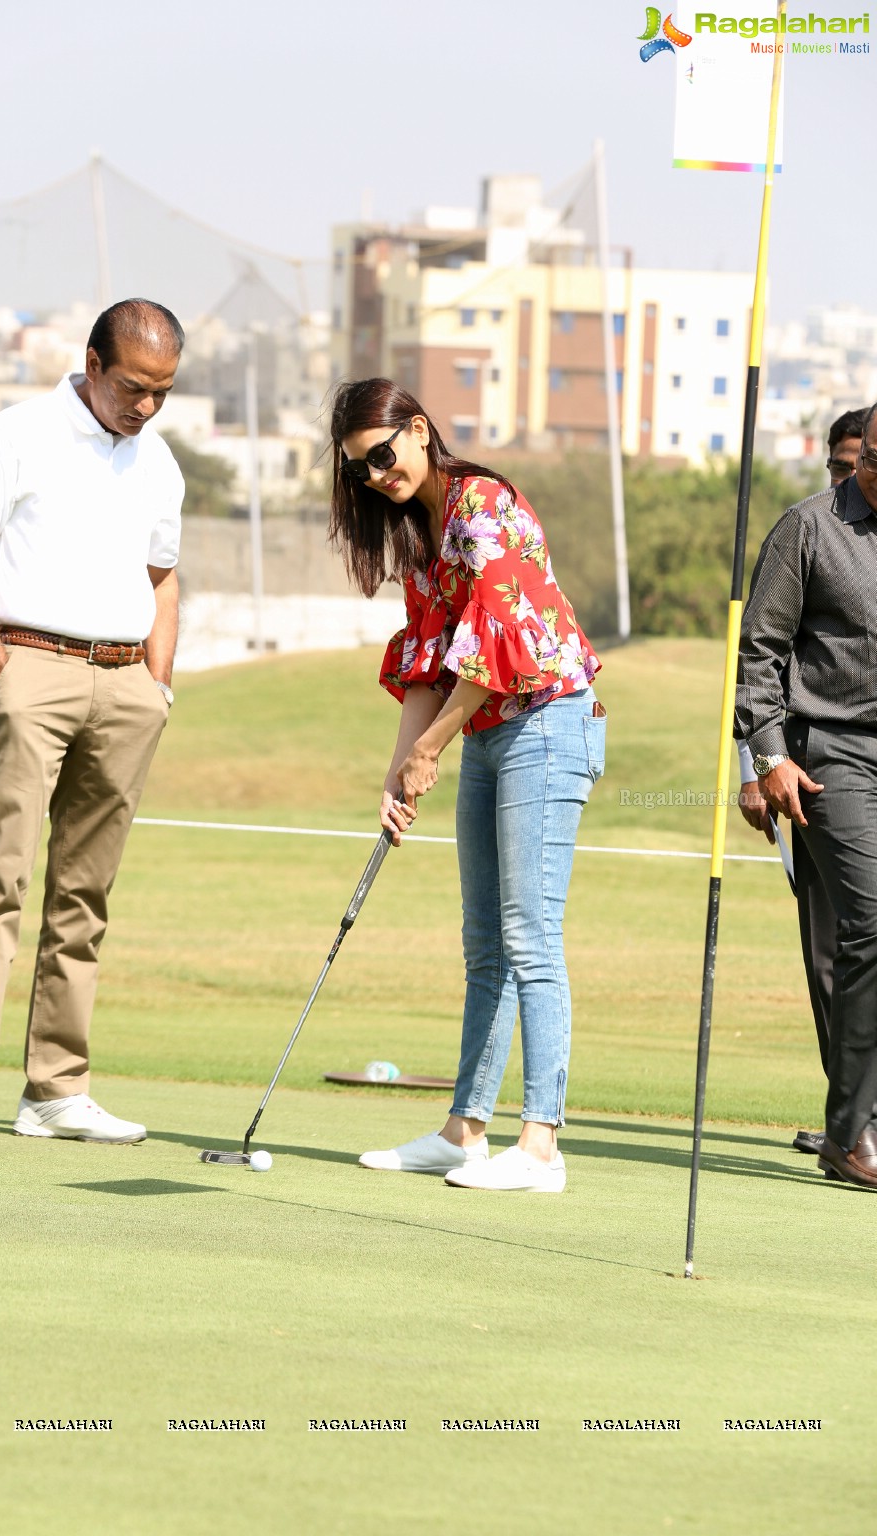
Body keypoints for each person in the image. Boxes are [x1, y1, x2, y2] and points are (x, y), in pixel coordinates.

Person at [328, 378, 605, 1192]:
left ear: (419, 431)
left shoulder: (483, 506)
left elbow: (492, 649)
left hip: (548, 725)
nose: (377, 475)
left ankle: (542, 1149)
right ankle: (463, 1132)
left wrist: (431, 752)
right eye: (359, 470)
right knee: (485, 942)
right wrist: (398, 771)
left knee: (530, 937)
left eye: (384, 454)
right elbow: (426, 657)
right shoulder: (420, 532)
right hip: (488, 733)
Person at [0, 298, 185, 1146]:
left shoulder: (159, 464)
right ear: (93, 361)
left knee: (85, 895)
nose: (145, 406)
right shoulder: (20, 432)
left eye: (163, 392)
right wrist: (0, 671)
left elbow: (162, 579)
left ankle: (55, 1092)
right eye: (134, 387)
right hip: (29, 667)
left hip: (124, 684)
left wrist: (159, 685)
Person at [736, 400, 877, 1188]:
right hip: (832, 756)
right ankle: (852, 1133)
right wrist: (763, 759)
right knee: (867, 923)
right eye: (867, 461)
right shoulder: (809, 528)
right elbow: (760, 651)